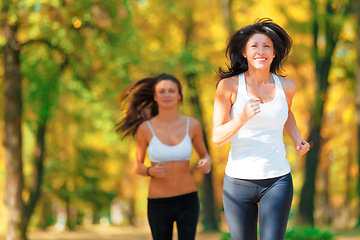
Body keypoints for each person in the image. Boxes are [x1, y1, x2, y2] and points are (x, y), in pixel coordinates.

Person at [212, 18, 310, 240]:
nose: (261, 51)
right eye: (254, 46)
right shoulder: (228, 86)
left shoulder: (287, 86)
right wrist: (242, 117)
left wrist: (297, 138)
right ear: (244, 52)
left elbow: (286, 113)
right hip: (238, 182)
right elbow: (217, 137)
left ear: (275, 53)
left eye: (267, 46)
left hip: (277, 179)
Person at [116, 73, 211, 240]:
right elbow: (137, 165)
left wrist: (205, 162)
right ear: (155, 96)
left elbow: (205, 155)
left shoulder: (192, 125)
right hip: (158, 202)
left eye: (171, 91)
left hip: (187, 199)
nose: (167, 95)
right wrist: (149, 171)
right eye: (162, 91)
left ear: (179, 95)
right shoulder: (145, 129)